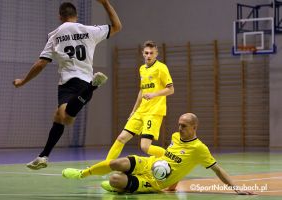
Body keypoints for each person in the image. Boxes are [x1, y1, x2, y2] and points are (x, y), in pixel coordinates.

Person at [13, 0, 122, 170]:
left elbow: (41, 64)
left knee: (66, 119)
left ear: (60, 16)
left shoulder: (55, 34)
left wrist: (23, 81)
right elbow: (117, 26)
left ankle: (93, 87)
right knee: (60, 116)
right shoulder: (89, 30)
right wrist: (105, 3)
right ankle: (43, 156)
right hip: (83, 82)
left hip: (68, 83)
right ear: (75, 15)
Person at [62, 113, 254, 195]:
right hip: (150, 164)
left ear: (194, 127)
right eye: (179, 124)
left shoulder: (199, 149)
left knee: (114, 179)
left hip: (155, 181)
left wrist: (236, 189)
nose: (179, 128)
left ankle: (117, 186)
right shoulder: (175, 136)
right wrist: (175, 184)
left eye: (184, 126)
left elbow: (217, 170)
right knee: (115, 163)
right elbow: (174, 160)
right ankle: (83, 173)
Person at [106, 40, 174, 160]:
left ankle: (172, 158)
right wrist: (134, 110)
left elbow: (171, 89)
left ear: (156, 54)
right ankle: (106, 166)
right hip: (141, 111)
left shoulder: (161, 68)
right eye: (146, 53)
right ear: (143, 53)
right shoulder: (142, 69)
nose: (148, 56)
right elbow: (142, 91)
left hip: (154, 112)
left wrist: (154, 94)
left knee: (145, 147)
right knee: (121, 138)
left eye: (151, 53)